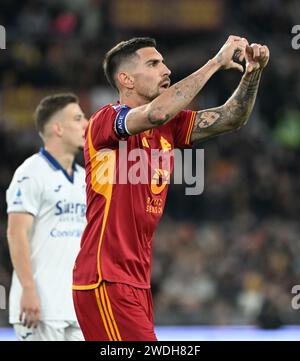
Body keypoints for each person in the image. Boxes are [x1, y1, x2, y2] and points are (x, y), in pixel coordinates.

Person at [72, 36, 270, 341]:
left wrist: (251, 73)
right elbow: (155, 113)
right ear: (125, 79)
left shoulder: (170, 127)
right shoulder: (105, 120)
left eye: (163, 62)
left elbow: (231, 118)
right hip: (105, 278)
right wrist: (215, 62)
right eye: (153, 64)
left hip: (137, 280)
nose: (165, 69)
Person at [6, 93, 88, 341]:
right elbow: (16, 232)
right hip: (40, 306)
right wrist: (28, 289)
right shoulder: (30, 173)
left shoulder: (86, 178)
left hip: (78, 306)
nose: (86, 123)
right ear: (57, 128)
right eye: (78, 118)